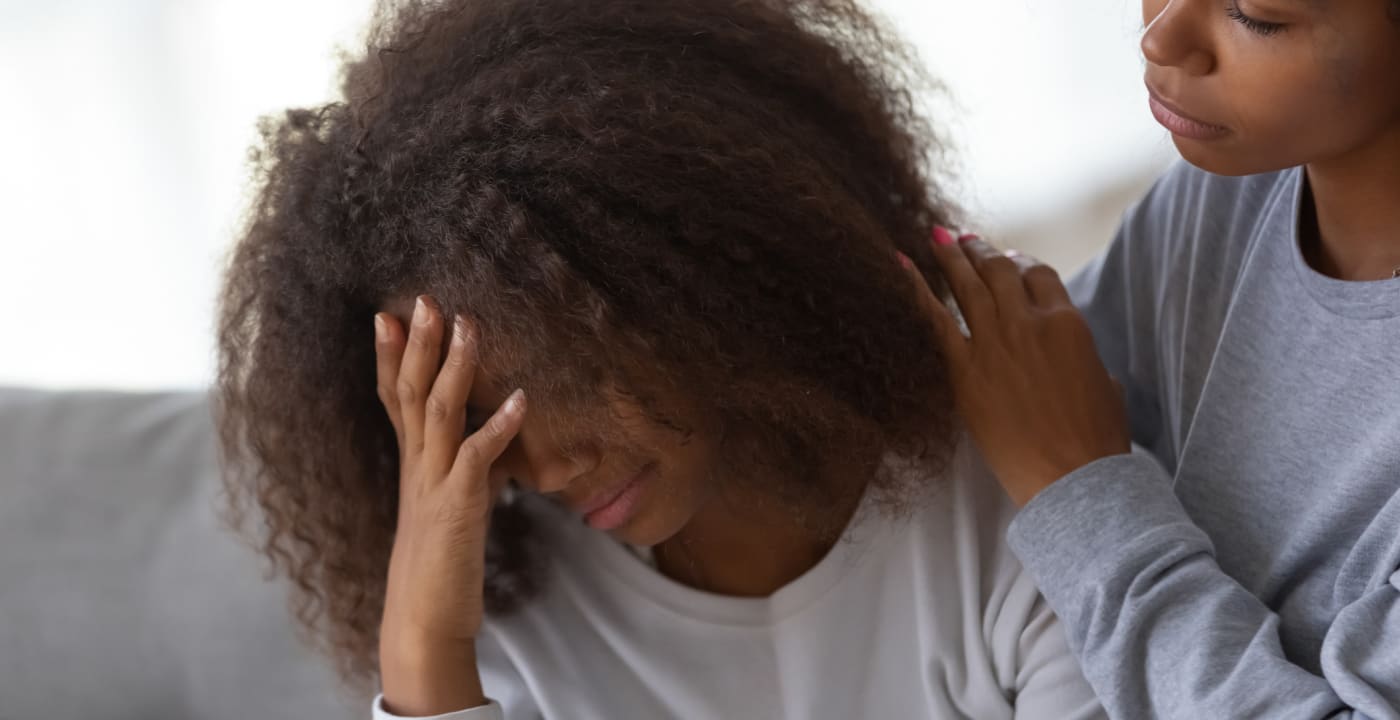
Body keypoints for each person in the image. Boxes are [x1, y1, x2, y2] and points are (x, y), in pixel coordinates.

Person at [214, 0, 1104, 718]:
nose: (546, 466)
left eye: (558, 384)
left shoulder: (1007, 502)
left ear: (685, 280)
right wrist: (423, 645)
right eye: (480, 423)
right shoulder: (510, 617)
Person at [904, 0, 1400, 717]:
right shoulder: (1233, 190)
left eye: (1256, 15)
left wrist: (1077, 491)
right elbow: (1030, 405)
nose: (1161, 36)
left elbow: (1061, 459)